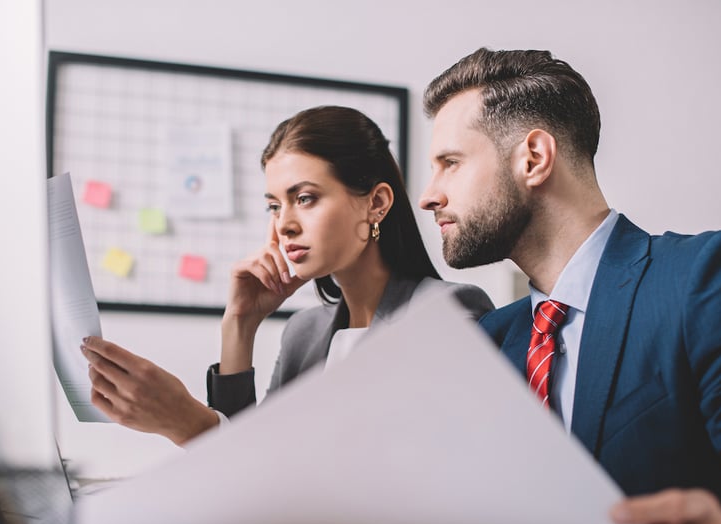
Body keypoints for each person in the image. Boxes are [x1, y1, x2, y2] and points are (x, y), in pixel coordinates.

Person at [419, 48, 721, 524]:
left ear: (533, 158)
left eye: (449, 163)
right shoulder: (489, 342)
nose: (429, 196)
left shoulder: (708, 277)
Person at [81, 105, 494, 445]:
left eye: (305, 198)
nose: (285, 225)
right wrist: (239, 326)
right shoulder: (304, 332)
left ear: (377, 204)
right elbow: (250, 474)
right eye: (274, 206)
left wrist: (190, 425)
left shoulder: (445, 311)